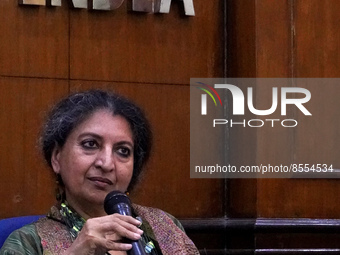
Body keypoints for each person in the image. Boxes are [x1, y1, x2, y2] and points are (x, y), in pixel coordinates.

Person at [0, 90, 199, 255]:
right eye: (90, 144)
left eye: (123, 151)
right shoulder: (26, 243)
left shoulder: (165, 226)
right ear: (57, 158)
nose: (106, 163)